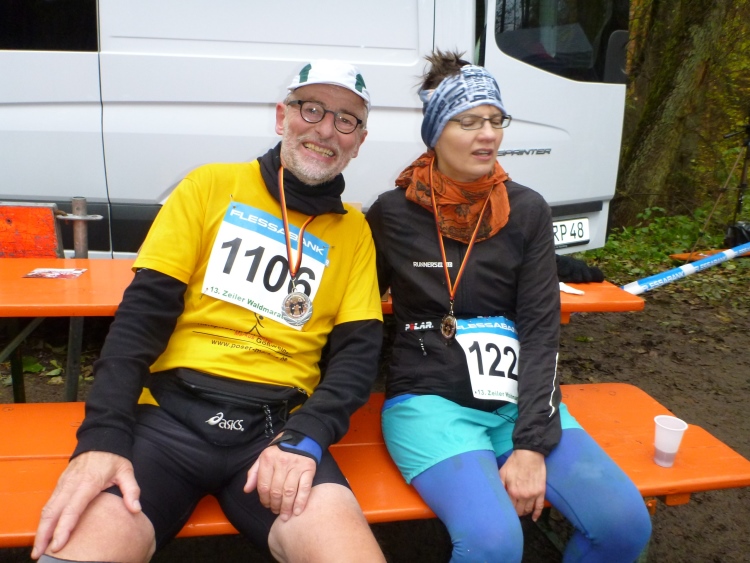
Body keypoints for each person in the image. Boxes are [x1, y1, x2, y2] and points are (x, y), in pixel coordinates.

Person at [33, 60, 386, 563]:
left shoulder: (355, 231)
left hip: (278, 434)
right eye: (311, 109)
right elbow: (141, 318)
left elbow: (357, 355)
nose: (326, 130)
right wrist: (102, 437)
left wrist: (309, 435)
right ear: (282, 116)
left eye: (346, 119)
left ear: (359, 141)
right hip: (167, 419)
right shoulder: (207, 186)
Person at [365, 51, 652, 562]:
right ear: (435, 131)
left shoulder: (526, 210)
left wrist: (531, 444)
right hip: (431, 402)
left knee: (623, 526)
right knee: (494, 543)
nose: (488, 135)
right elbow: (358, 309)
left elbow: (541, 330)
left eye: (496, 120)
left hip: (518, 398)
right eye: (468, 121)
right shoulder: (392, 213)